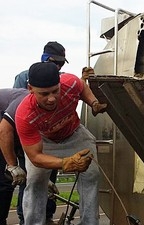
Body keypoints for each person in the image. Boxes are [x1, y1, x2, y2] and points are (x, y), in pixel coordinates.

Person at [15, 62, 107, 225]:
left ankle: (89, 222)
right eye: (44, 94)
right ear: (30, 89)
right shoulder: (24, 115)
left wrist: (93, 102)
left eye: (55, 91)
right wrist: (65, 163)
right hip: (44, 142)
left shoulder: (70, 82)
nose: (51, 98)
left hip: (74, 133)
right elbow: (35, 157)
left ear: (60, 84)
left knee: (91, 174)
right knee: (35, 180)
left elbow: (82, 88)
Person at [13, 41, 69, 225]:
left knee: (50, 176)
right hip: (28, 136)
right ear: (47, 59)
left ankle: (47, 216)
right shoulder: (24, 77)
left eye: (61, 64)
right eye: (57, 62)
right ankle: (25, 218)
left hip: (49, 137)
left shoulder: (60, 80)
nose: (59, 67)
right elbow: (19, 112)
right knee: (32, 179)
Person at [0, 88, 28, 225]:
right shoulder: (23, 103)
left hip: (15, 129)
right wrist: (12, 165)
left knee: (22, 180)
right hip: (3, 123)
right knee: (5, 178)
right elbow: (4, 131)